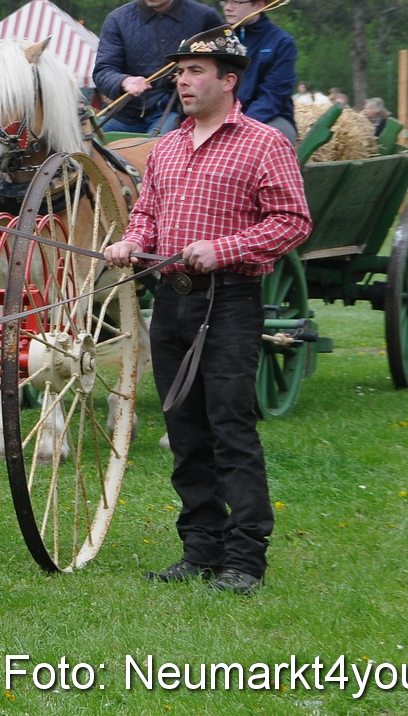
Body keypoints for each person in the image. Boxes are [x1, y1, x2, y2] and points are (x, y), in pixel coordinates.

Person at [103, 32, 312, 595]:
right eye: (179, 71)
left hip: (230, 301)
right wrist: (130, 242)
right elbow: (147, 213)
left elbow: (293, 221)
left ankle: (245, 559)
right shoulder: (167, 147)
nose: (182, 80)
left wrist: (224, 249)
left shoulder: (264, 144)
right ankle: (200, 549)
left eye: (195, 70)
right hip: (171, 299)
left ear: (228, 80)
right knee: (184, 427)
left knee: (229, 428)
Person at [93, 0, 224, 134]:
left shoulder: (205, 17)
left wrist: (191, 75)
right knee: (86, 141)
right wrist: (125, 81)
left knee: (159, 148)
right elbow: (103, 71)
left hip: (175, 110)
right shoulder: (117, 19)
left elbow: (224, 65)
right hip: (125, 112)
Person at [213, 0, 298, 143]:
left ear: (259, 5)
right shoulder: (218, 39)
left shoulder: (281, 42)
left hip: (270, 118)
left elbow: (273, 96)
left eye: (236, 2)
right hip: (220, 117)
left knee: (263, 141)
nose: (228, 7)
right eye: (225, 1)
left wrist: (240, 124)